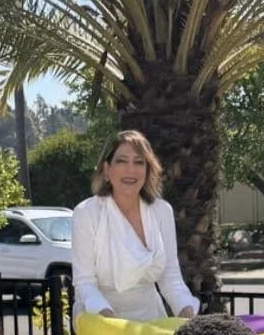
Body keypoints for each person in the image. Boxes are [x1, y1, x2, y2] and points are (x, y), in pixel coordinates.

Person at [71, 130, 199, 324]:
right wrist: (111, 324)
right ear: (106, 169)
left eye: (139, 162)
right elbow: (84, 282)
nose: (131, 170)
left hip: (150, 319)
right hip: (99, 320)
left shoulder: (162, 211)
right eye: (122, 161)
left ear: (148, 170)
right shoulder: (87, 213)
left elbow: (170, 277)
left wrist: (189, 316)